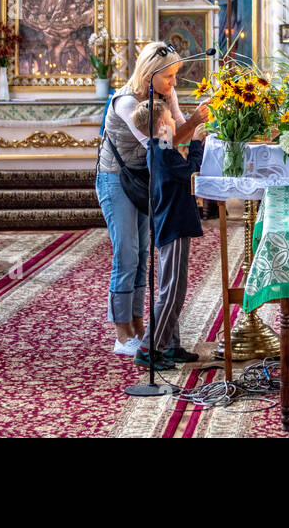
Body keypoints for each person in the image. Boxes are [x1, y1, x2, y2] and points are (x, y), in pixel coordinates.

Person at [95, 42, 209, 356]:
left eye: (175, 75)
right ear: (150, 73)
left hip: (145, 179)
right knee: (127, 254)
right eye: (169, 76)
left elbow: (177, 136)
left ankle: (139, 327)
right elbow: (163, 143)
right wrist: (194, 126)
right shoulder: (127, 103)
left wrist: (195, 123)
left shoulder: (163, 94)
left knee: (143, 255)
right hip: (116, 180)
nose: (174, 83)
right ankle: (122, 334)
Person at [129, 99, 206, 370]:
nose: (176, 122)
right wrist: (196, 143)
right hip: (172, 224)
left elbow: (176, 160)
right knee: (171, 291)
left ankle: (172, 346)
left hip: (175, 222)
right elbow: (189, 172)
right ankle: (149, 349)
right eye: (172, 120)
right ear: (162, 125)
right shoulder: (161, 151)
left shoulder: (161, 145)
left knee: (176, 287)